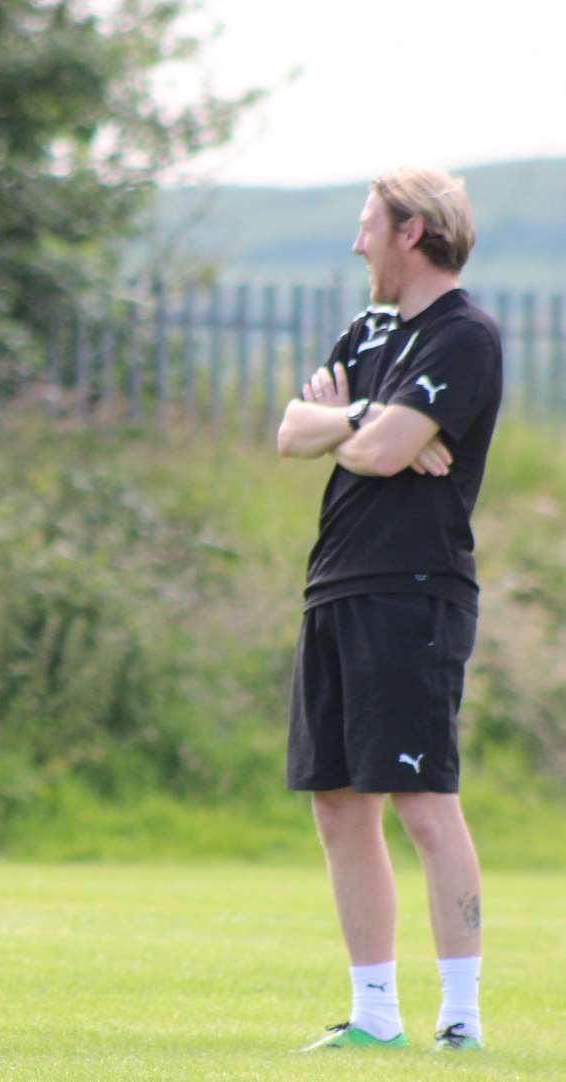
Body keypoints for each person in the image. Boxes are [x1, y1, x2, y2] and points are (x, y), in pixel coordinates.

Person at [276, 167, 502, 1053]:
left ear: (411, 232)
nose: (356, 241)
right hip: (334, 582)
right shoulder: (366, 333)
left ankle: (460, 1021)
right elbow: (294, 432)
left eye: (368, 224)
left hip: (413, 591)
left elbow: (379, 453)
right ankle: (373, 1016)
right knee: (336, 804)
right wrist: (367, 419)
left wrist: (365, 432)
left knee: (421, 802)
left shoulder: (465, 337)